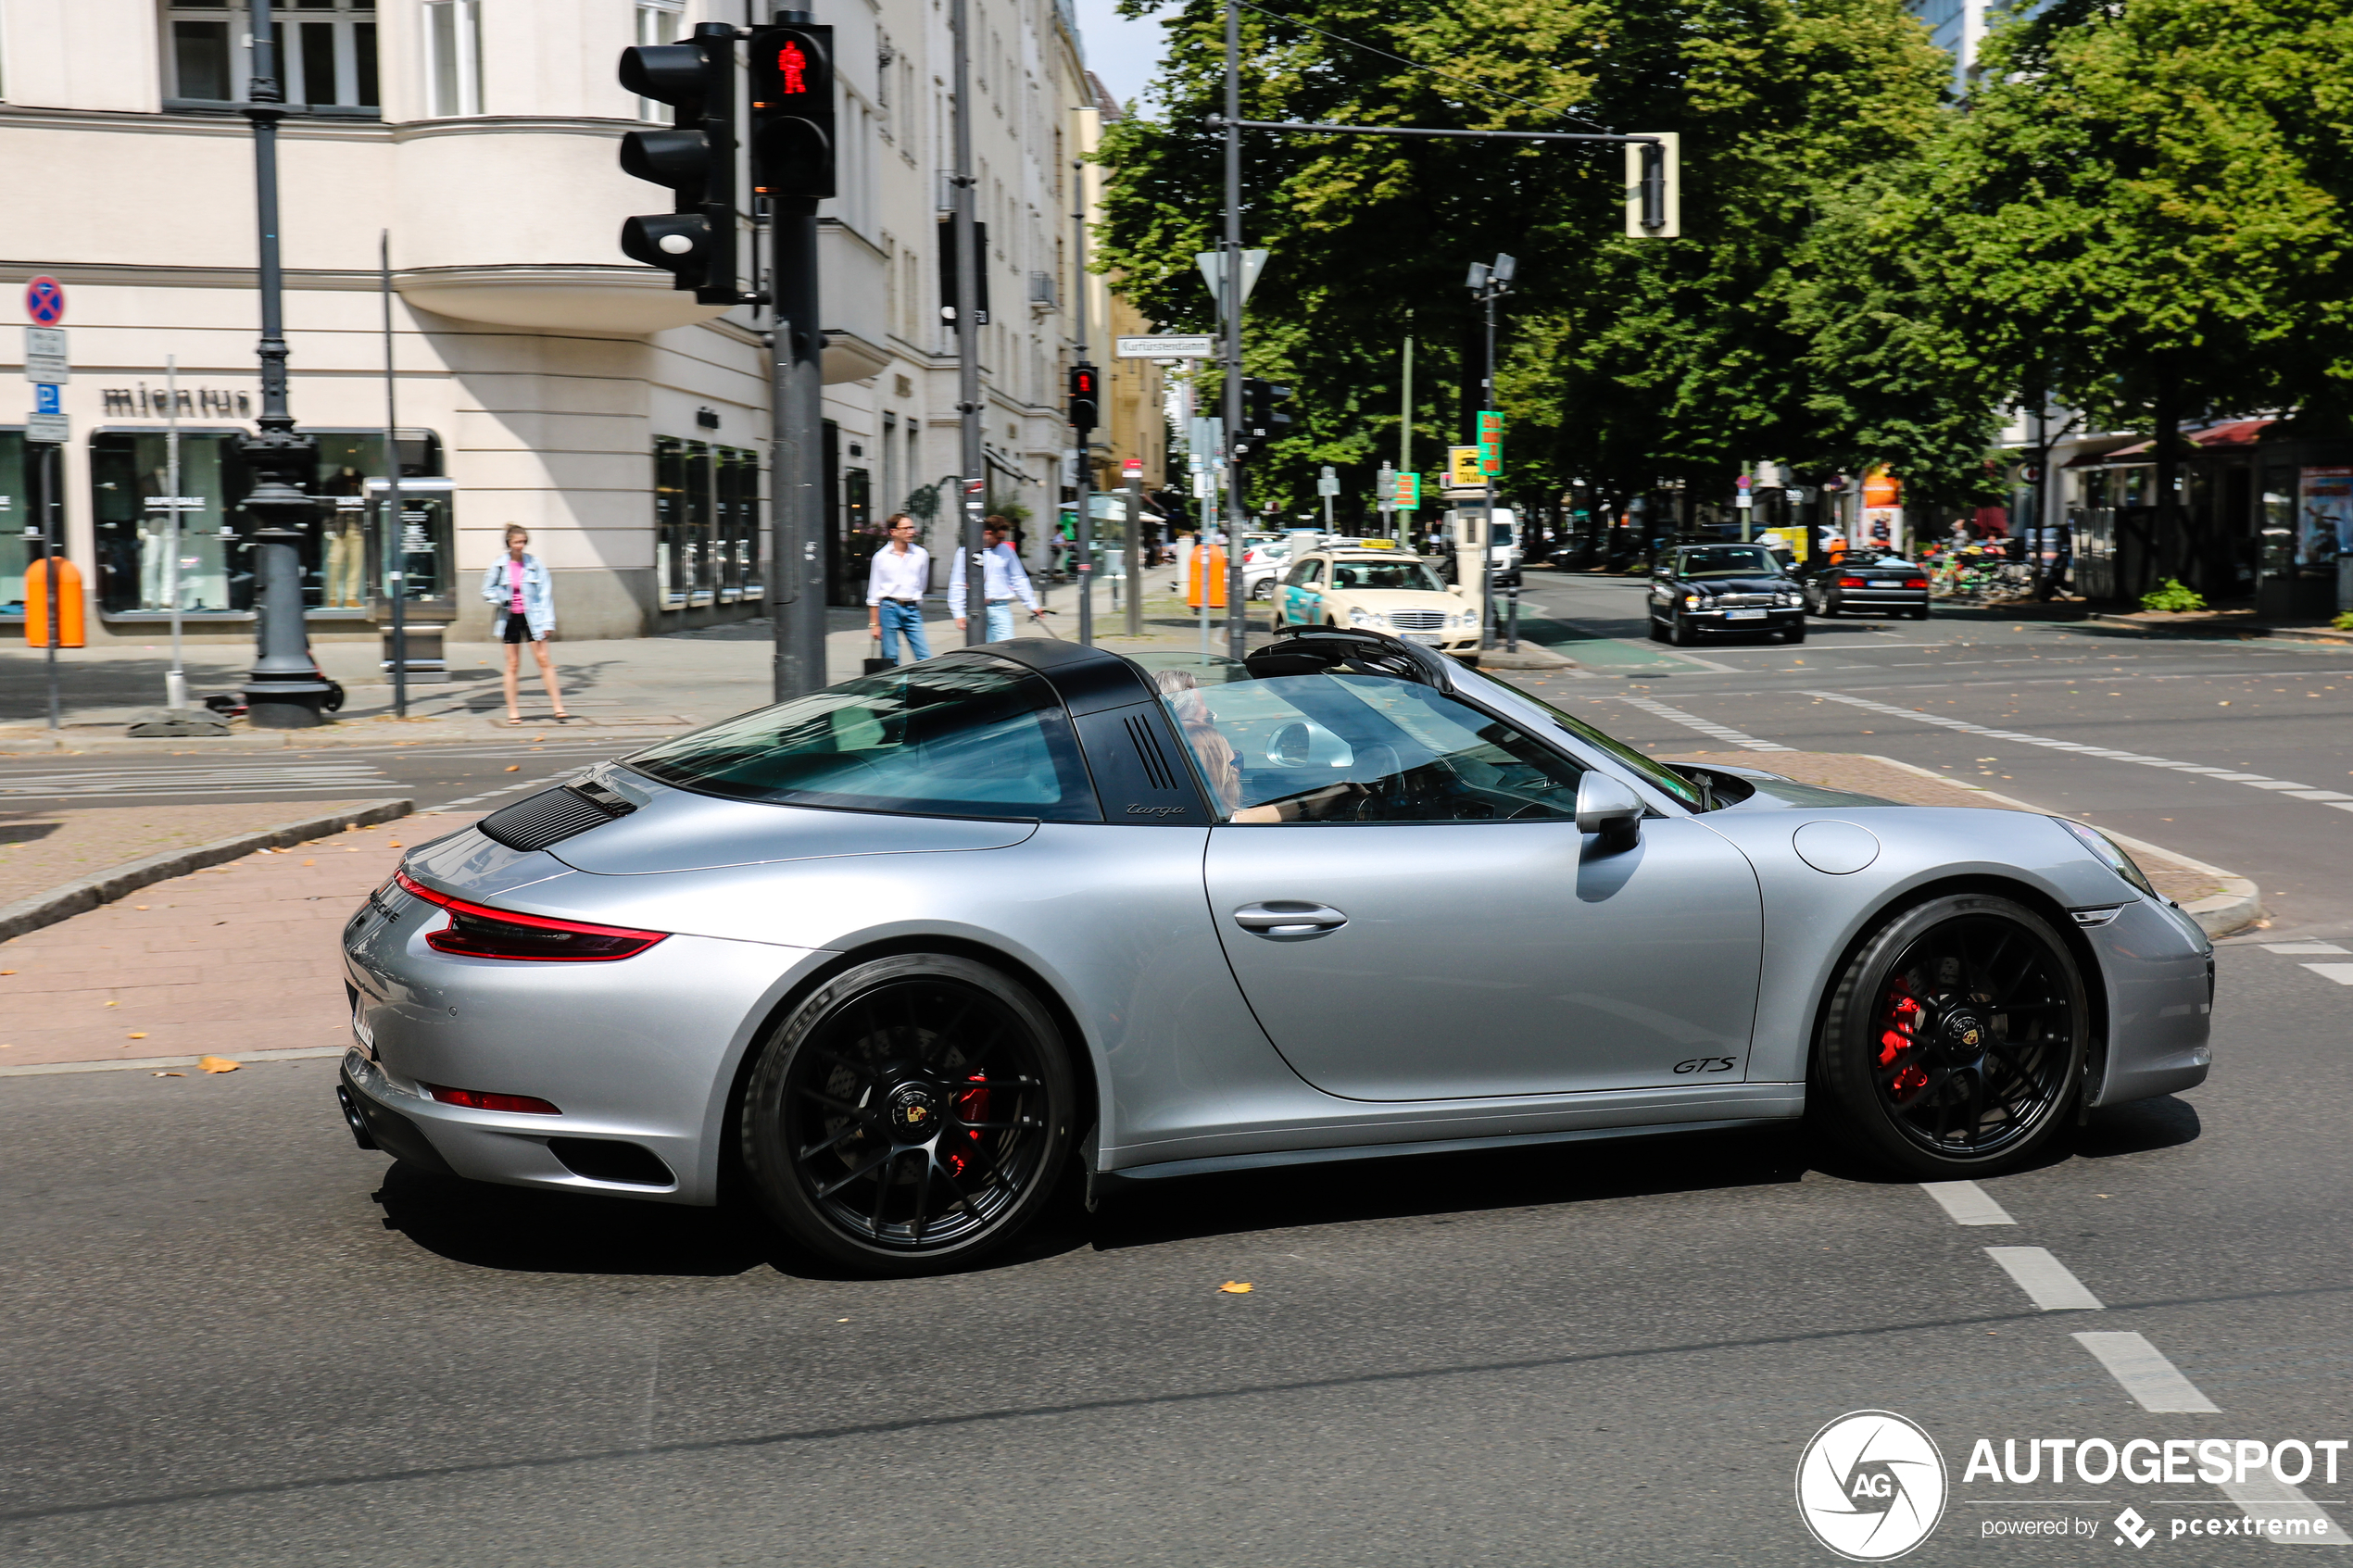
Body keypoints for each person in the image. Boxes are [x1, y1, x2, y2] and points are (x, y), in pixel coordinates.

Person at [479, 524, 569, 725]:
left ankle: (558, 707)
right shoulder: (500, 565)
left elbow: (545, 595)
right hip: (509, 618)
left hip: (534, 618)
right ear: (509, 543)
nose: (520, 546)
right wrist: (503, 599)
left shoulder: (535, 564)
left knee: (544, 660)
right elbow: (486, 590)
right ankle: (513, 711)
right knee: (513, 664)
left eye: (523, 542)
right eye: (517, 542)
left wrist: (548, 622)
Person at [947, 514, 1046, 641]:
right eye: (999, 538)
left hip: (1000, 607)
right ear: (988, 533)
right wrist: (958, 613)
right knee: (980, 650)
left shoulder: (1006, 550)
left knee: (1005, 647)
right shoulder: (966, 551)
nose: (1001, 542)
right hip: (976, 608)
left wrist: (1032, 604)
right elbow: (957, 582)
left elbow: (1018, 578)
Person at [865, 512, 931, 665]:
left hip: (912, 608)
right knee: (891, 656)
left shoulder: (921, 554)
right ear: (893, 532)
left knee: (925, 656)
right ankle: (895, 688)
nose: (911, 532)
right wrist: (874, 624)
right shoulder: (881, 557)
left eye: (912, 528)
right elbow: (874, 593)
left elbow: (922, 583)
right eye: (906, 528)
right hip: (889, 608)